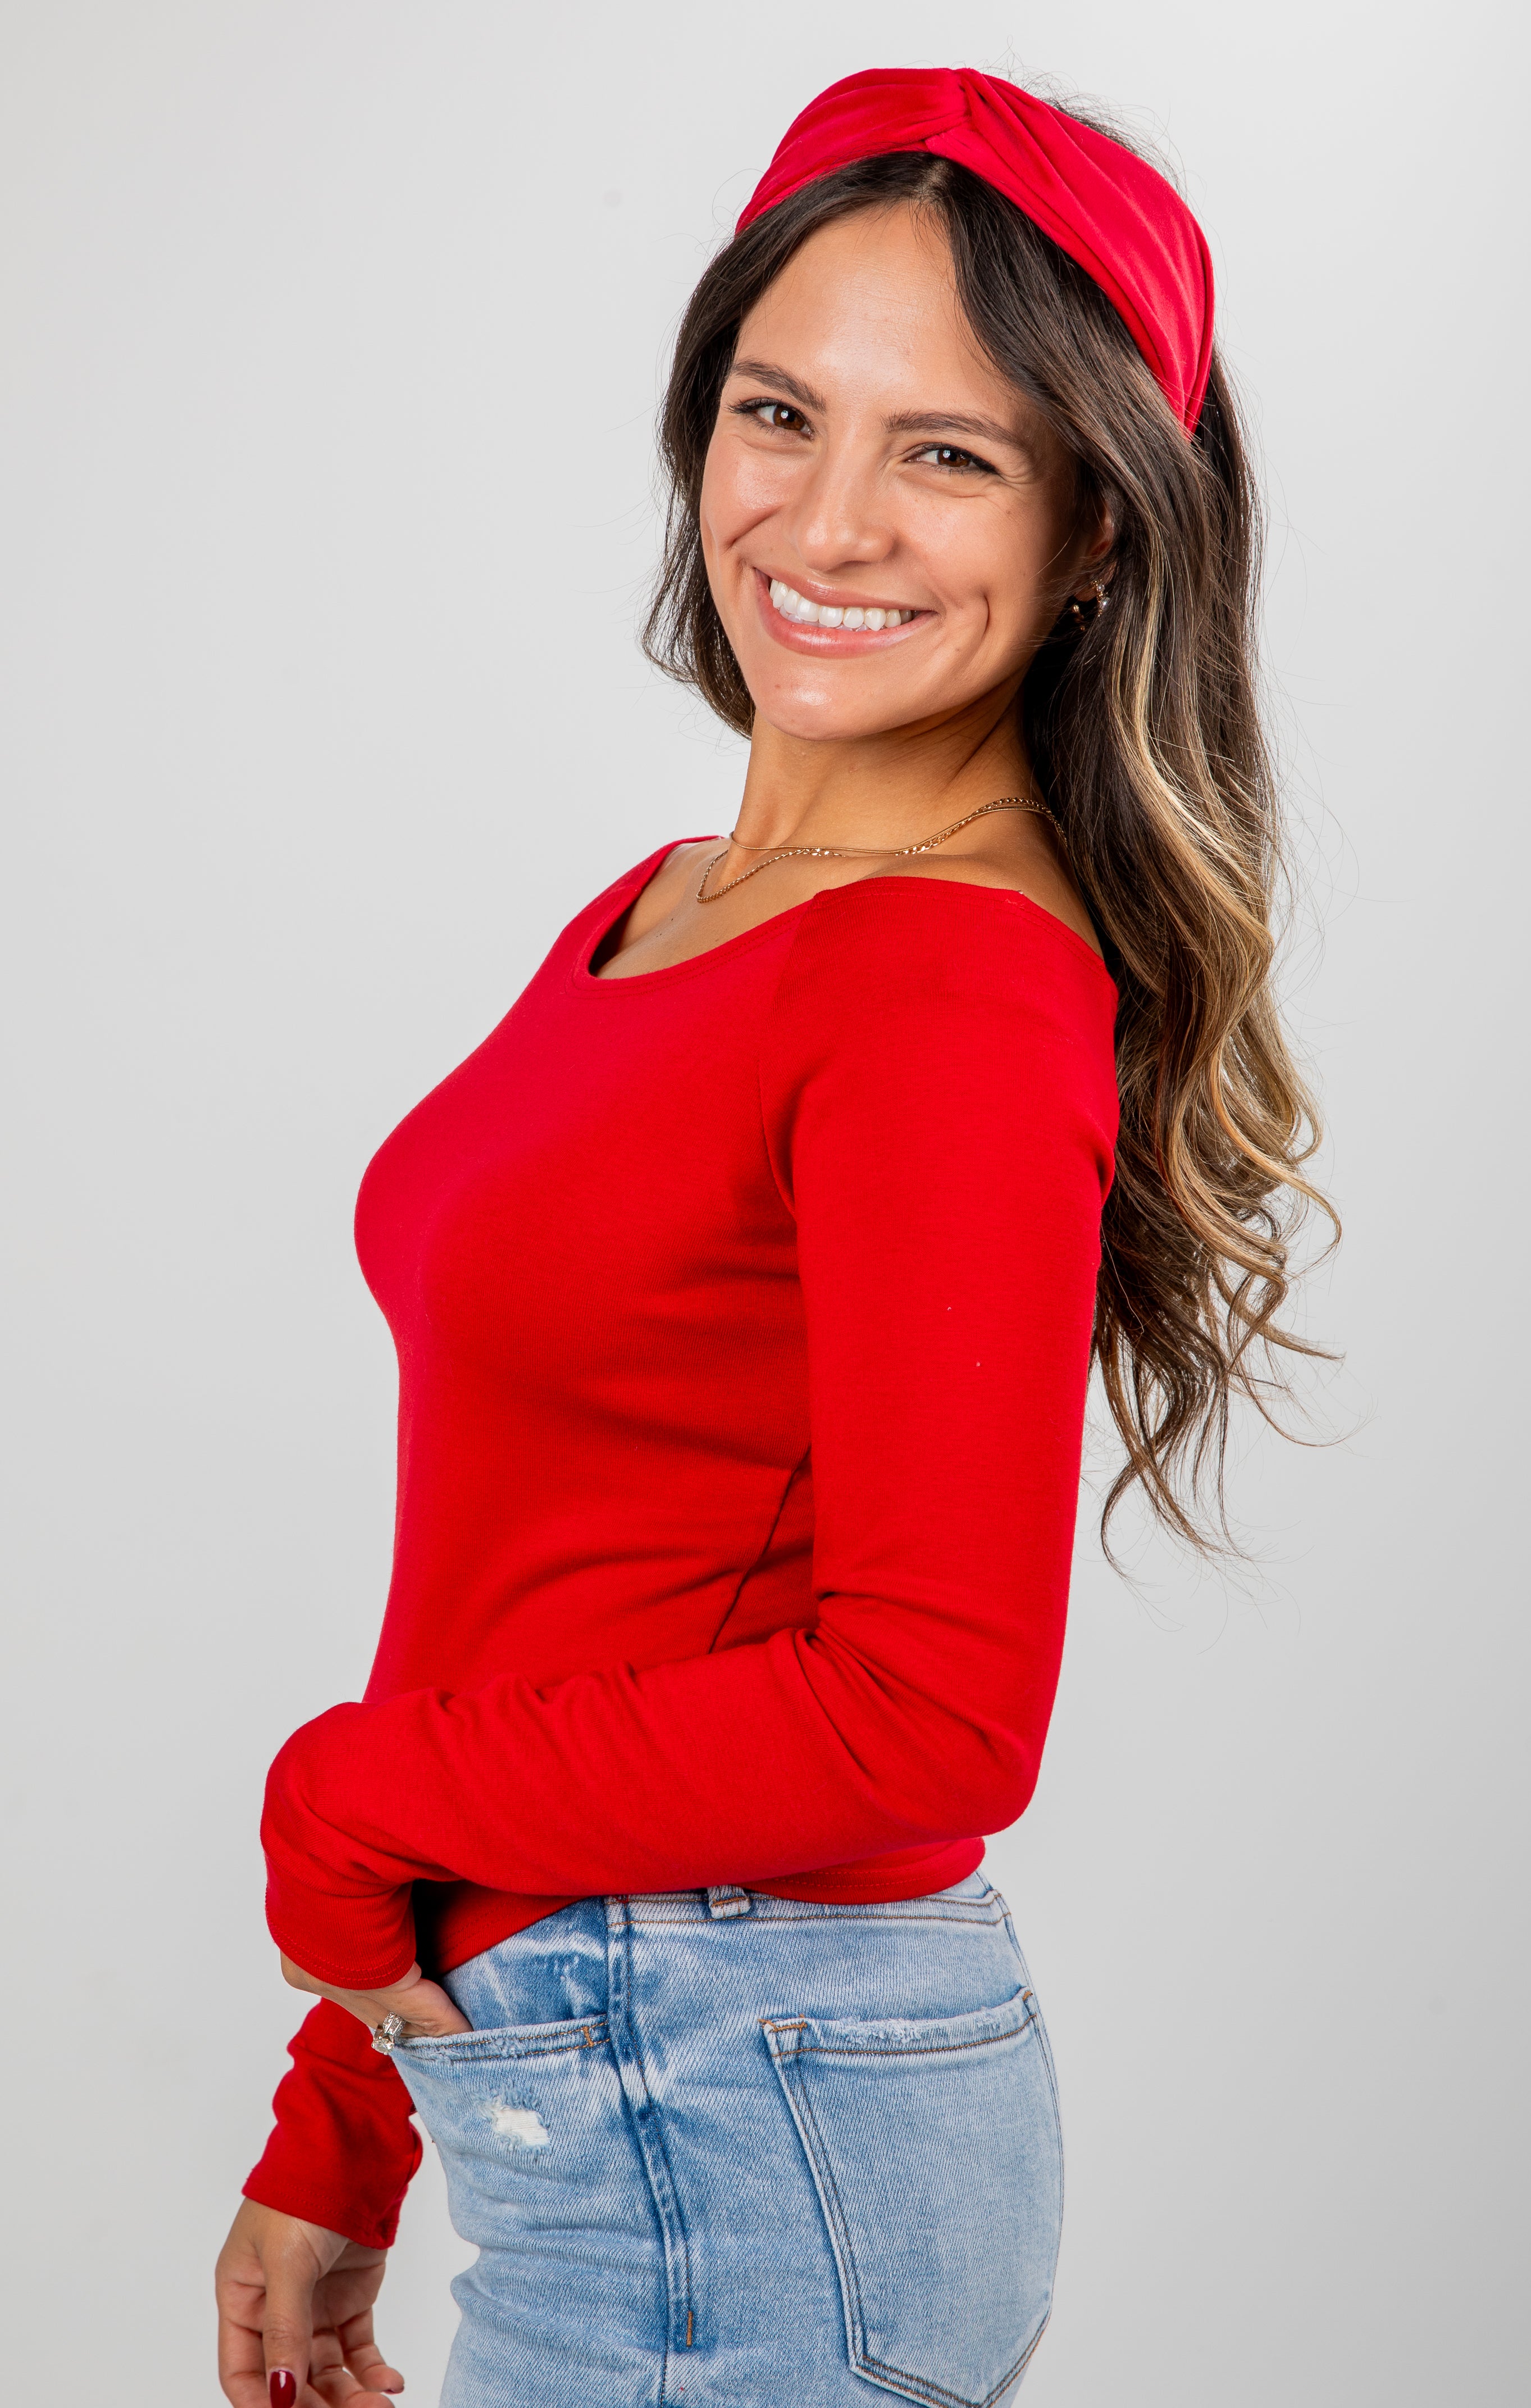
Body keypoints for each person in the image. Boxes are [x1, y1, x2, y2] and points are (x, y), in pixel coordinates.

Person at [215, 65, 1329, 2408]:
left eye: (949, 451)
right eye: (776, 410)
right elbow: (532, 1559)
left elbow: (934, 1703)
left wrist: (344, 1803)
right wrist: (349, 2105)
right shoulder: (670, 911)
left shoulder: (944, 984)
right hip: (630, 2072)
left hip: (736, 2097)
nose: (826, 519)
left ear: (1098, 527)